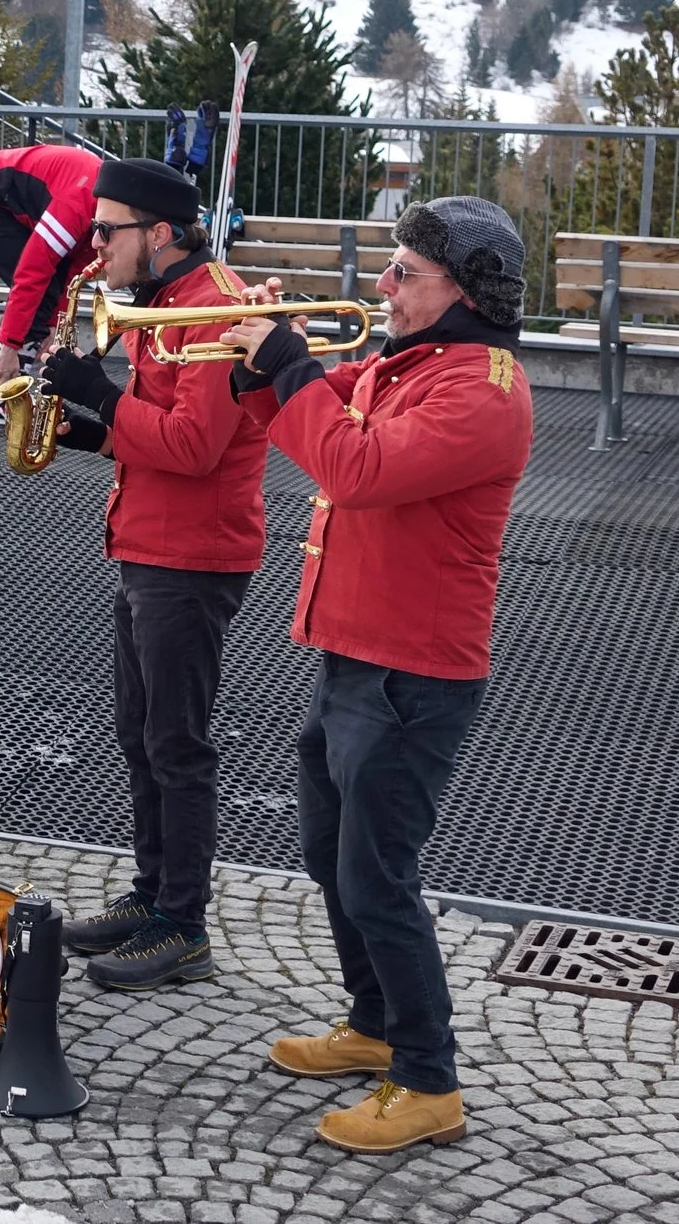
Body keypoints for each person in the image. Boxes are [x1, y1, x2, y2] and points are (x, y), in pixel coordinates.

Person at [219, 196, 535, 1155]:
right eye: (391, 268)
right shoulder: (411, 365)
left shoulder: (481, 387)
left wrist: (290, 365)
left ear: (465, 291)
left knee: (377, 877)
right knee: (329, 853)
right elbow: (303, 418)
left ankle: (429, 1078)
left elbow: (352, 468)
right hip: (354, 652)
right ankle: (372, 1023)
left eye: (406, 273)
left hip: (412, 671)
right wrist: (256, 360)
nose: (384, 287)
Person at [27, 159, 269, 992]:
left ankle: (183, 922)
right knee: (140, 734)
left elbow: (195, 448)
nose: (94, 247)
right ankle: (152, 892)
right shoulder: (160, 303)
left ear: (159, 233)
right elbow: (156, 432)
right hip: (148, 543)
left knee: (177, 743)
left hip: (191, 554)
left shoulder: (213, 308)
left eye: (108, 229)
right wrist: (89, 434)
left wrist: (99, 394)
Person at [0, 141, 104, 396]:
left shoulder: (101, 216)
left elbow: (72, 274)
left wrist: (54, 324)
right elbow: (32, 273)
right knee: (41, 288)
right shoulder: (76, 207)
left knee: (47, 295)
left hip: (14, 199)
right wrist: (10, 345)